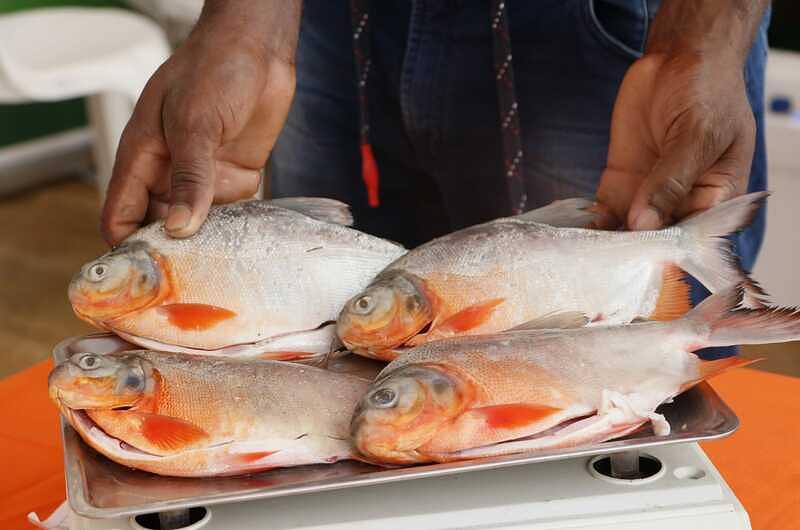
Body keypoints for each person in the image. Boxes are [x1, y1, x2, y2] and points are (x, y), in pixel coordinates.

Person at [100, 0, 771, 356]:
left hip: (599, 20)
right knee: (337, 352)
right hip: (331, 21)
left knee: (631, 361)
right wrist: (244, 15)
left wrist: (711, 25)